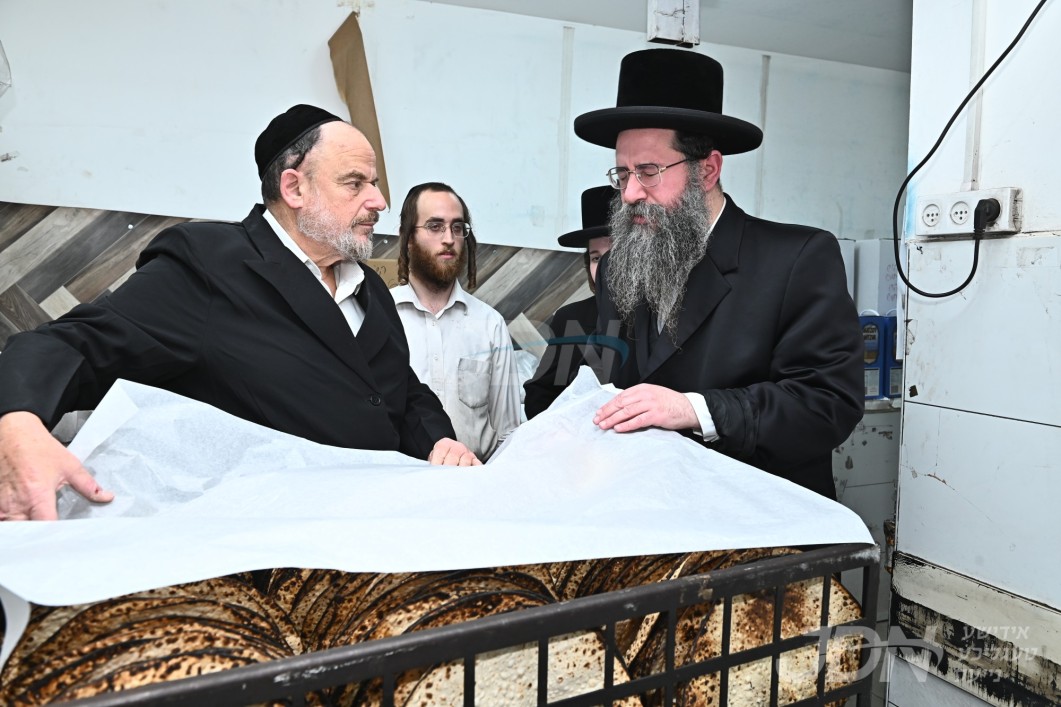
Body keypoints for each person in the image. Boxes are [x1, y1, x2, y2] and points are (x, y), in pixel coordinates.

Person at [0, 104, 479, 521]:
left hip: (379, 531)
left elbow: (401, 392)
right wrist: (17, 421)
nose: (379, 201)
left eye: (373, 183)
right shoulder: (210, 263)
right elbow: (75, 344)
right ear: (294, 188)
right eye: (355, 183)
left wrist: (437, 440)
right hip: (260, 551)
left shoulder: (370, 287)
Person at [573, 49, 863, 499]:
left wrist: (694, 409)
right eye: (623, 174)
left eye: (648, 172)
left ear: (707, 170)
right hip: (649, 506)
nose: (629, 193)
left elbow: (827, 405)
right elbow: (612, 380)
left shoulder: (797, 258)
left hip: (762, 515)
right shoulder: (617, 265)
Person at [390, 183, 520, 459]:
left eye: (457, 227)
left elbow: (509, 434)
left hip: (474, 477)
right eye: (435, 226)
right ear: (408, 237)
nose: (449, 238)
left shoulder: (489, 325)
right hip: (400, 477)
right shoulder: (383, 317)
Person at [523, 186, 614, 418]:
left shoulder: (661, 319)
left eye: (615, 254)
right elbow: (541, 393)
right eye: (596, 258)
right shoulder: (571, 319)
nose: (605, 267)